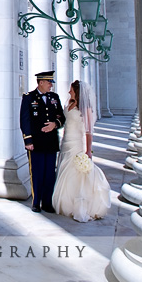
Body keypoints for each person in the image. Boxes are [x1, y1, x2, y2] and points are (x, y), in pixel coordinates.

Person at [52, 80, 111, 222]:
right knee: (64, 168)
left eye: (71, 89)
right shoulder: (69, 104)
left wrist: (88, 150)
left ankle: (77, 203)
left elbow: (88, 131)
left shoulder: (85, 109)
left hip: (76, 144)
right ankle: (65, 200)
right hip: (66, 141)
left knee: (74, 173)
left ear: (77, 91)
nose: (68, 92)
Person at [19, 70, 65, 213]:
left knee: (49, 174)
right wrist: (28, 141)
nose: (51, 85)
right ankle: (36, 202)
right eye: (49, 82)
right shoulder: (29, 97)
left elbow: (62, 117)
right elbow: (24, 120)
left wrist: (54, 124)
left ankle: (47, 202)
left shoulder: (54, 97)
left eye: (51, 82)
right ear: (41, 82)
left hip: (50, 142)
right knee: (37, 173)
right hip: (36, 143)